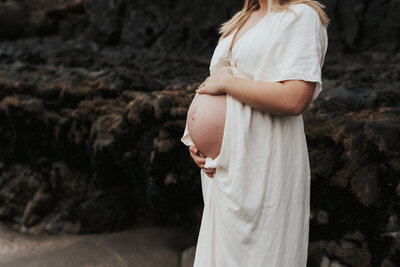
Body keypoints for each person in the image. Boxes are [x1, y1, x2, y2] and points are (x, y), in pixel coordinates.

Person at [180, 0, 329, 266]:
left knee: (259, 254)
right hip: (223, 167)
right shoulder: (241, 18)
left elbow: (294, 98)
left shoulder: (301, 16)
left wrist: (227, 81)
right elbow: (211, 86)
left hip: (263, 159)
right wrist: (196, 143)